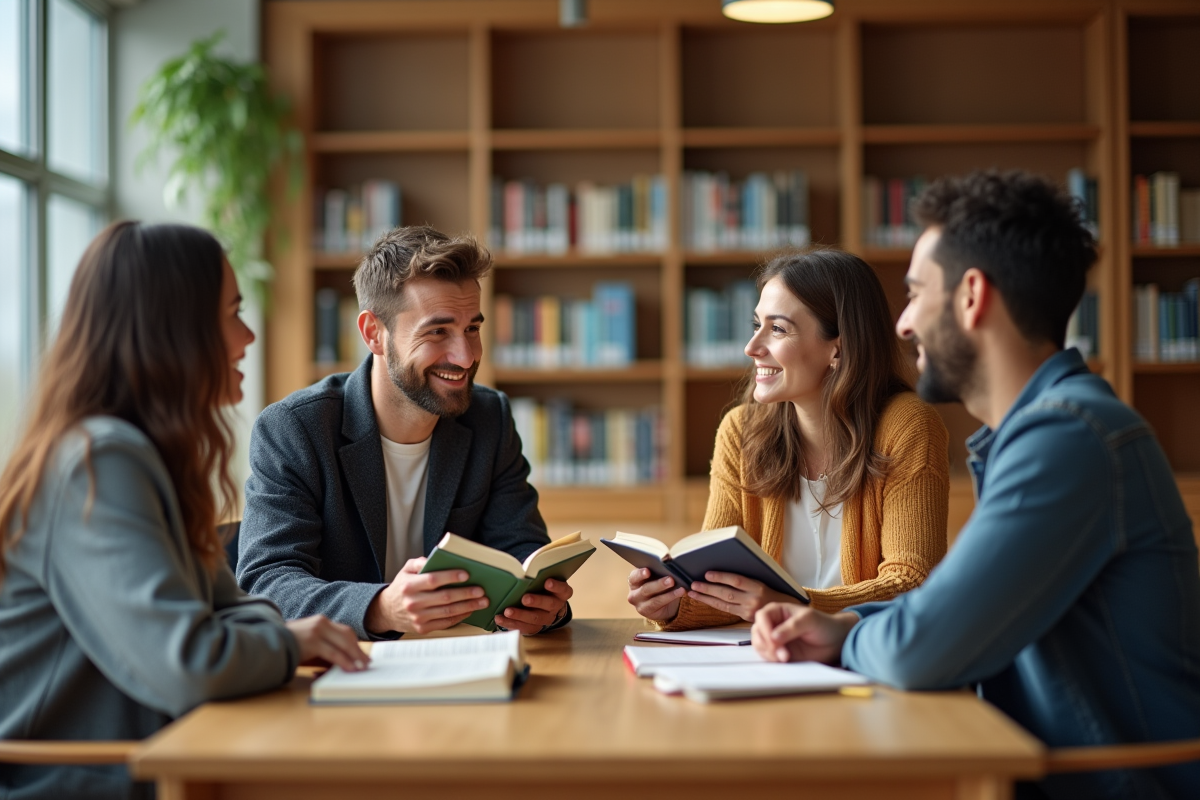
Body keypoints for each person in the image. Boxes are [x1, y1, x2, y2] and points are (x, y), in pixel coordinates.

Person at [752, 171, 1200, 800]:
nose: (902, 324)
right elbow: (952, 611)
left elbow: (920, 648)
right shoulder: (1047, 432)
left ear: (971, 297)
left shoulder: (1067, 441)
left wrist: (855, 632)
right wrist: (848, 624)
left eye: (914, 294)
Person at [0, 222, 365, 800]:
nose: (247, 336)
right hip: (72, 780)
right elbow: (190, 664)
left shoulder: (146, 458)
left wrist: (257, 635)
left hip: (154, 759)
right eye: (231, 313)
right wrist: (293, 643)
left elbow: (240, 611)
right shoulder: (97, 462)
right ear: (171, 331)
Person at [238, 225, 573, 639]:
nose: (465, 357)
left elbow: (523, 551)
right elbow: (266, 582)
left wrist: (544, 606)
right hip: (345, 671)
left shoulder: (489, 417)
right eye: (438, 332)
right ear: (373, 333)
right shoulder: (295, 429)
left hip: (463, 663)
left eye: (472, 328)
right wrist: (380, 609)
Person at [628, 249, 950, 630]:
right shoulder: (741, 432)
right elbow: (719, 584)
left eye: (777, 329)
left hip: (866, 655)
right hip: (767, 654)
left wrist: (793, 605)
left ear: (838, 347)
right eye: (756, 324)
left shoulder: (908, 425)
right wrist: (674, 604)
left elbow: (913, 584)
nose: (752, 347)